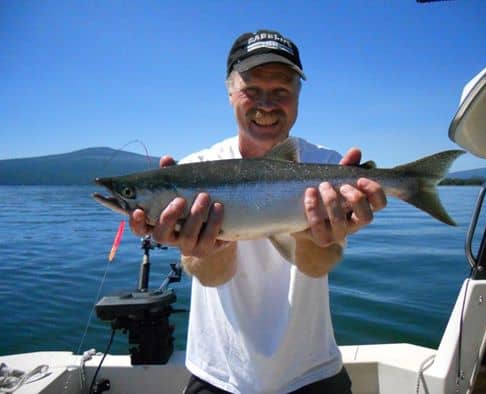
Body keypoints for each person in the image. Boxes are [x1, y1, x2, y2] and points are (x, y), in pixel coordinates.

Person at [130, 29, 387, 394]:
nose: (267, 104)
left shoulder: (328, 168)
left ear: (298, 96)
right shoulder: (197, 168)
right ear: (230, 90)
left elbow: (316, 266)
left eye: (281, 90)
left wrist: (313, 235)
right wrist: (206, 248)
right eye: (252, 89)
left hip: (313, 373)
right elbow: (212, 276)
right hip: (219, 375)